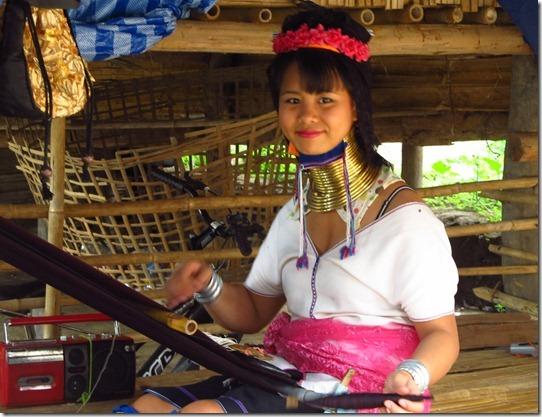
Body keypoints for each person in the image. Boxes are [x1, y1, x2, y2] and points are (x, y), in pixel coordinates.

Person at [120, 1, 459, 413]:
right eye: (293, 100)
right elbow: (252, 312)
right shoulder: (296, 214)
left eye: (326, 99)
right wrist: (207, 286)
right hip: (290, 376)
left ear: (356, 108)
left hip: (364, 390)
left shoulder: (407, 225)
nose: (307, 115)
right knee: (147, 405)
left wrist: (413, 375)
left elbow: (442, 334)